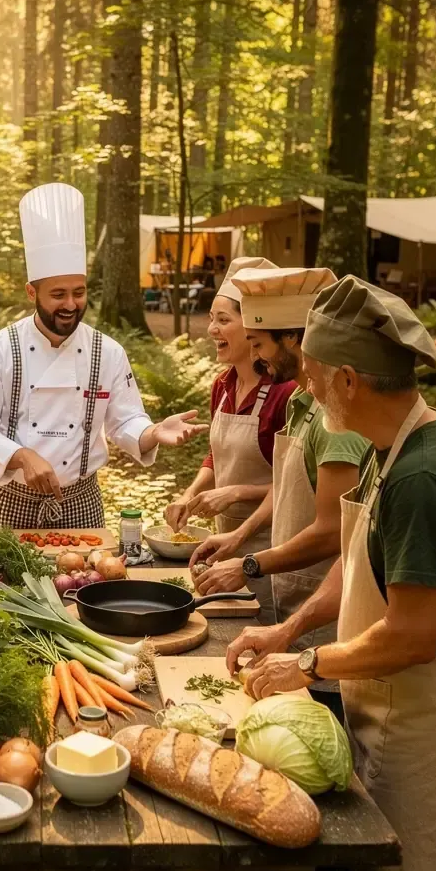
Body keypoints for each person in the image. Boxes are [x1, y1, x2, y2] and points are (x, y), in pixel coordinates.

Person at [236, 278, 436, 871]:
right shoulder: (392, 452)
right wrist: (286, 627)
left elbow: (416, 634)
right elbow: (354, 559)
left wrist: (309, 661)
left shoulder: (427, 474)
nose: (306, 387)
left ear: (350, 380)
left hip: (430, 719)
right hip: (386, 704)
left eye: (315, 375)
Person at [0, 183, 208, 529]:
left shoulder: (106, 352)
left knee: (85, 584)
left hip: (81, 502)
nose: (71, 304)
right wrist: (21, 455)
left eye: (79, 292)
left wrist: (152, 432)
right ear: (32, 292)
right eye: (58, 294)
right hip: (9, 502)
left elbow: (124, 421)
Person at [193, 265, 369, 708]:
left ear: (292, 338)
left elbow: (335, 532)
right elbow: (286, 489)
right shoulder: (301, 403)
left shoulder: (337, 424)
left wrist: (249, 563)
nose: (257, 356)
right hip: (289, 606)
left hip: (327, 624)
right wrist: (239, 538)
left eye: (258, 343)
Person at [164, 257, 295, 616]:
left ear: (253, 326)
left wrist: (237, 492)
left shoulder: (285, 393)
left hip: (274, 546)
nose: (212, 330)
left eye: (223, 320)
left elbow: (297, 485)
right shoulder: (223, 386)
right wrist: (191, 495)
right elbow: (216, 455)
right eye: (211, 319)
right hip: (225, 544)